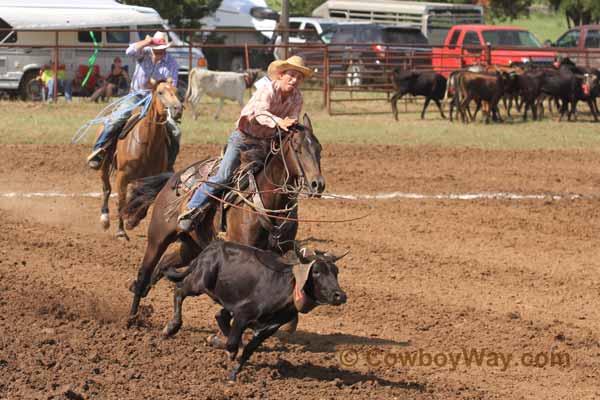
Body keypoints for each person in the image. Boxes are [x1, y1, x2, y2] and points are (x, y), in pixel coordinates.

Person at [177, 55, 312, 232]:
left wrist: (292, 125)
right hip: (243, 138)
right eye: (291, 75)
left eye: (299, 77)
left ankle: (277, 221)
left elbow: (292, 118)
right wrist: (279, 122)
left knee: (278, 178)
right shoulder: (267, 91)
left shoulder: (297, 98)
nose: (294, 80)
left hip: (267, 142)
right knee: (224, 176)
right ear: (280, 75)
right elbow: (259, 113)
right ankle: (192, 209)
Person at [86, 31, 180, 171]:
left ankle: (168, 164)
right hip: (136, 95)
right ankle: (99, 150)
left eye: (162, 49)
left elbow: (172, 85)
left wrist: (162, 84)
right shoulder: (144, 52)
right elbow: (130, 51)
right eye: (157, 49)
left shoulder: (171, 62)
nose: (159, 52)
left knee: (175, 131)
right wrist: (147, 42)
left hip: (158, 99)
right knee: (119, 117)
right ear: (152, 46)